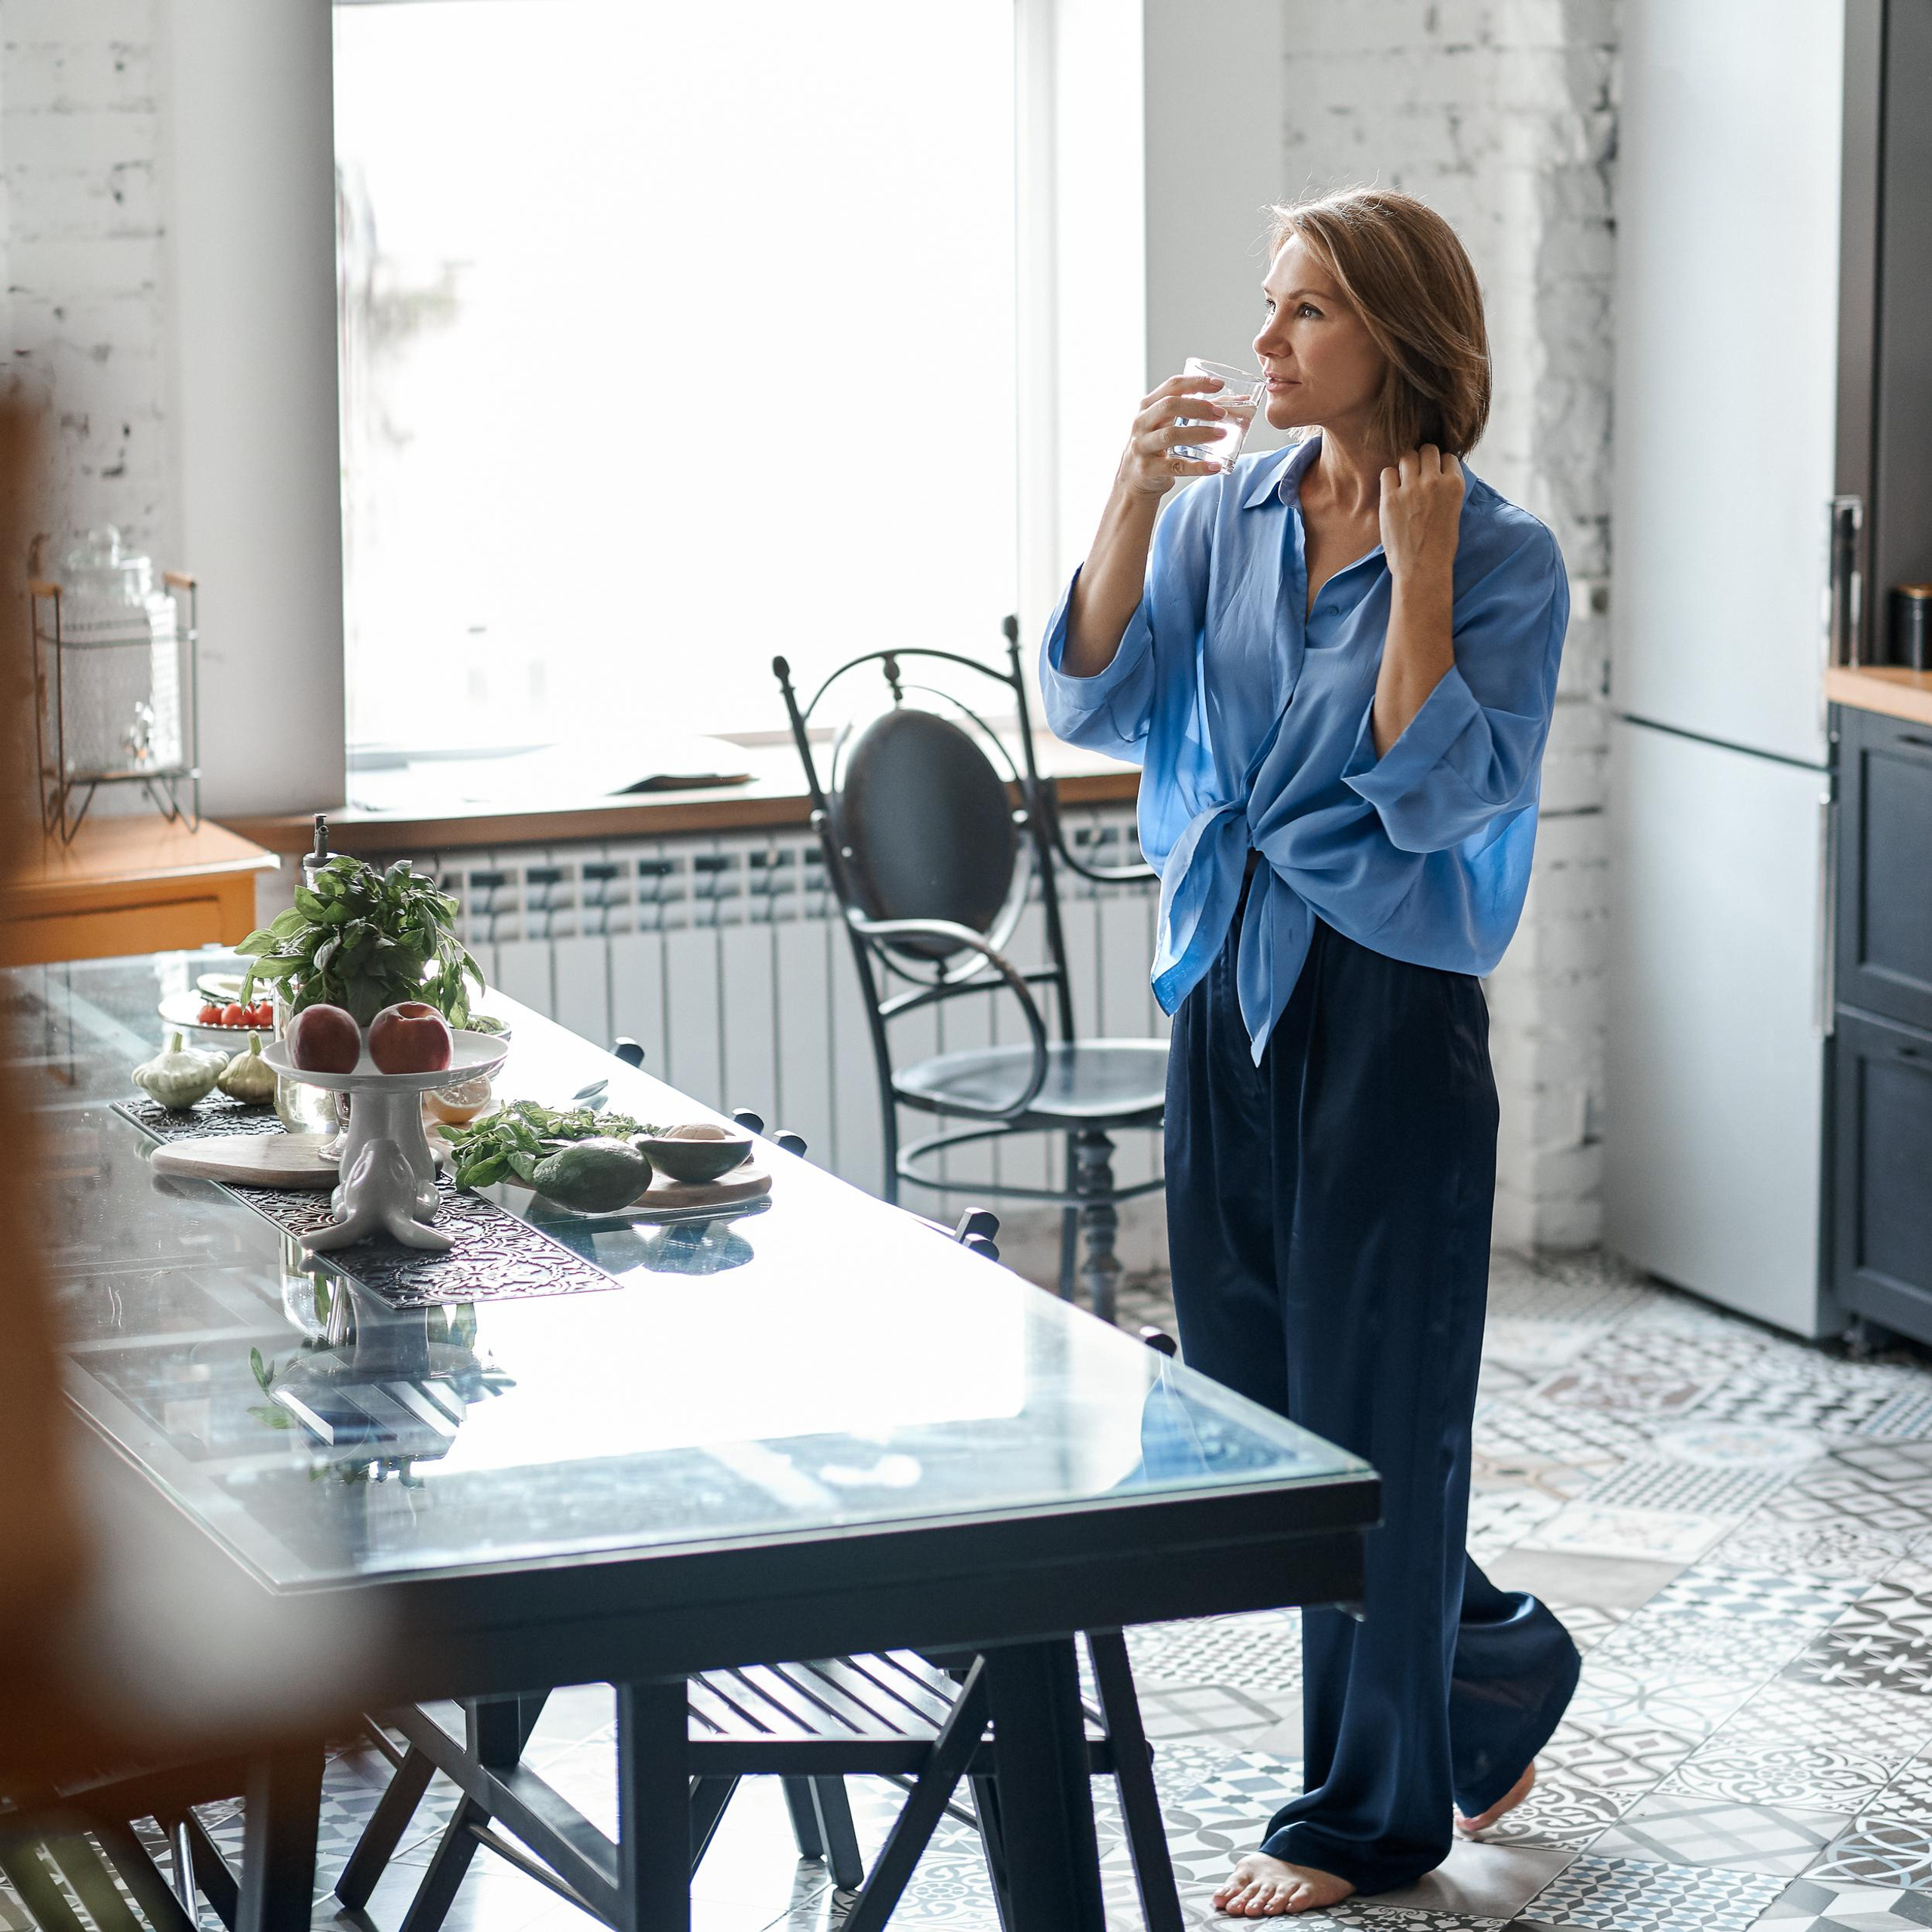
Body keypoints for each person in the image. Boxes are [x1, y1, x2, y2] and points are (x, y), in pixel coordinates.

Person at [1039, 186, 1582, 1916]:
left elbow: (1439, 798)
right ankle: (1493, 1663)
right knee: (1275, 1420)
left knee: (1380, 1413)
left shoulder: (1500, 561)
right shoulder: (1219, 519)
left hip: (1388, 1010)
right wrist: (1130, 492)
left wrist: (1415, 578)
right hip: (1223, 983)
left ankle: (1360, 1816)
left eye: (1303, 316)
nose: (1263, 345)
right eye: (1267, 309)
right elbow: (1096, 700)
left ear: (1395, 343)